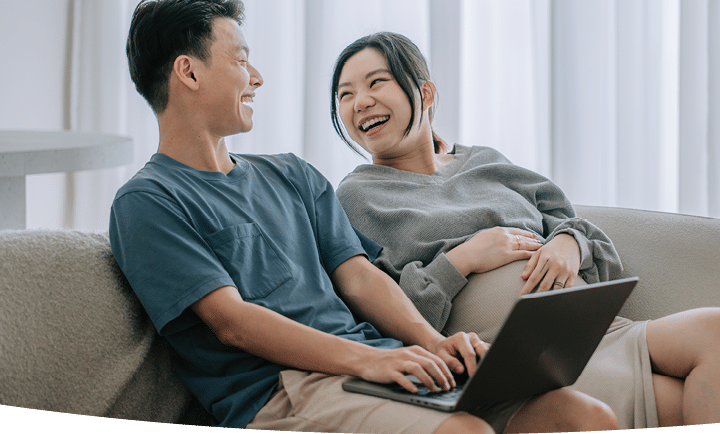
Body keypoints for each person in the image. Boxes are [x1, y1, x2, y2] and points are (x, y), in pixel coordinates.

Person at [111, 1, 618, 433]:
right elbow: (232, 323)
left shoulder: (291, 174)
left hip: (371, 362)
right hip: (282, 389)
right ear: (189, 72)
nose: (257, 77)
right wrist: (372, 359)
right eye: (241, 60)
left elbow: (359, 278)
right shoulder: (147, 201)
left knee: (580, 416)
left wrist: (436, 344)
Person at [331, 31, 720, 429]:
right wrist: (462, 260)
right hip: (507, 364)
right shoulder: (356, 198)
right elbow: (379, 319)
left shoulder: (486, 162)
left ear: (424, 92)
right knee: (660, 406)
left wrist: (568, 243)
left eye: (375, 83)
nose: (360, 103)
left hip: (594, 335)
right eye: (345, 95)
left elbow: (584, 233)